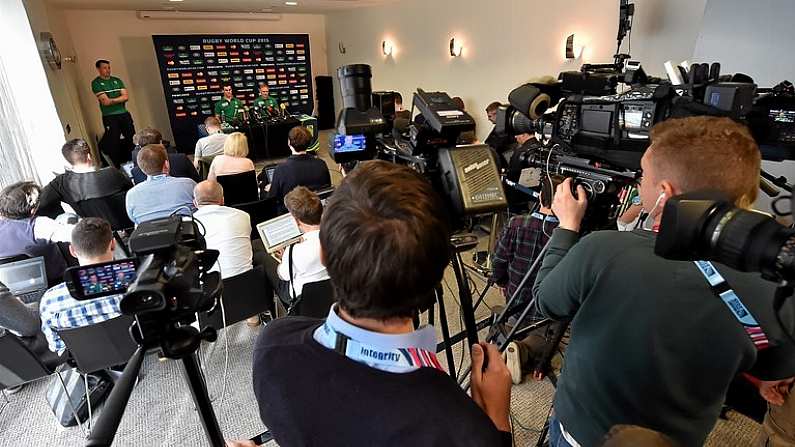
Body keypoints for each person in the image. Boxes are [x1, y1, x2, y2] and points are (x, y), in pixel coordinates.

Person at [532, 116, 795, 446]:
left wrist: (567, 226)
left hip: (578, 436)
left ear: (665, 193)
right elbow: (773, 370)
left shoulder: (601, 249)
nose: (638, 183)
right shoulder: (776, 283)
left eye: (643, 175)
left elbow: (545, 301)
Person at [250, 160, 513, 446]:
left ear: (324, 255)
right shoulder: (464, 430)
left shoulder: (272, 346)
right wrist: (497, 422)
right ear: (438, 275)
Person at [491, 189, 565, 385]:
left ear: (541, 196)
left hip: (515, 296)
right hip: (546, 305)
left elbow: (498, 260)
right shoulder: (568, 236)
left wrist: (500, 281)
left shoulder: (516, 223)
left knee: (512, 320)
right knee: (546, 336)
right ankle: (524, 349)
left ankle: (507, 339)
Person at [39, 218, 122, 354]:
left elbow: (57, 347)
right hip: (142, 356)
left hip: (90, 366)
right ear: (113, 245)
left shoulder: (49, 301)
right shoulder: (137, 283)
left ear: (72, 251)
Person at [262, 186, 328, 307]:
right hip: (332, 293)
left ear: (296, 221)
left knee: (263, 260)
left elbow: (284, 275)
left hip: (302, 299)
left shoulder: (294, 251)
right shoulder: (338, 237)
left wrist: (284, 260)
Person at [0, 182, 75, 285]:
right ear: (33, 210)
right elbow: (75, 235)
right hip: (55, 279)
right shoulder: (38, 226)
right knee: (66, 218)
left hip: (15, 285)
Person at [37, 139, 133, 219]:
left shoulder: (61, 183)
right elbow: (131, 191)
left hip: (94, 227)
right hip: (126, 220)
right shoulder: (112, 173)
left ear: (68, 161)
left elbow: (41, 204)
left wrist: (59, 216)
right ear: (89, 156)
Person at [192, 180, 254, 280]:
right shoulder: (243, 216)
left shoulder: (189, 223)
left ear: (195, 203)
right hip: (247, 281)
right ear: (222, 200)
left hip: (212, 287)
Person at [125, 144, 196, 225]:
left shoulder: (131, 195)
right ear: (166, 164)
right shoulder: (188, 184)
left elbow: (134, 219)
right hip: (187, 234)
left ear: (142, 169)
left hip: (149, 236)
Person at [267, 126, 330, 212]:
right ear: (309, 143)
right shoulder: (321, 164)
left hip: (291, 212)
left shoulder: (281, 169)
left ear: (289, 143)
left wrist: (270, 189)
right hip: (316, 210)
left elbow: (272, 198)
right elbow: (327, 188)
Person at [92, 59, 135, 168]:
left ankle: (134, 161)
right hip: (109, 116)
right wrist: (119, 99)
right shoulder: (96, 83)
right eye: (104, 68)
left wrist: (112, 100)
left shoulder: (117, 80)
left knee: (131, 137)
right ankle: (116, 167)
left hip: (124, 114)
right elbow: (105, 102)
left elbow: (126, 97)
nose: (108, 70)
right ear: (98, 69)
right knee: (113, 141)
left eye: (109, 67)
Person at [131, 128, 199, 184]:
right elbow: (197, 180)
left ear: (139, 146)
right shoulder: (181, 159)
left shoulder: (135, 172)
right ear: (161, 142)